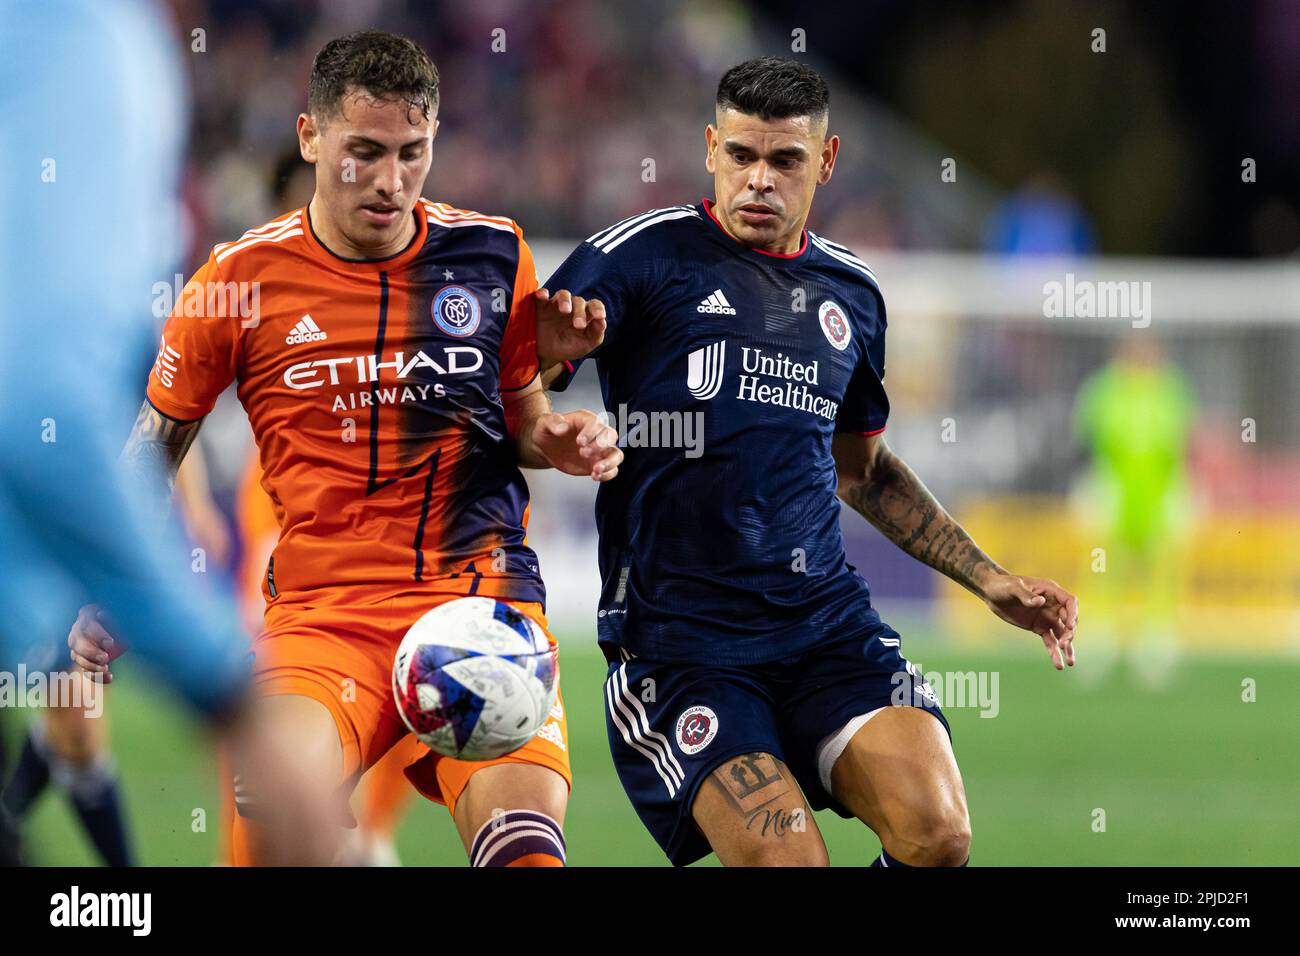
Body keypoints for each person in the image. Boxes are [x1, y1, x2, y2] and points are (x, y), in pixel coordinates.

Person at [67, 30, 618, 867]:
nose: (392, 182)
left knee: (527, 854)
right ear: (310, 138)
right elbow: (157, 445)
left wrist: (562, 440)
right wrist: (106, 586)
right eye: (364, 151)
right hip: (323, 621)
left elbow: (523, 419)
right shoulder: (237, 280)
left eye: (413, 153)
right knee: (278, 830)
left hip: (482, 607)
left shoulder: (492, 253)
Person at [545, 56, 1078, 866]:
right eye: (741, 157)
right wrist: (551, 384)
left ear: (823, 163)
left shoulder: (852, 295)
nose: (759, 180)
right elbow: (518, 382)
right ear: (711, 150)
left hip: (826, 628)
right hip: (683, 647)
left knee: (939, 834)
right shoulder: (637, 256)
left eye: (784, 160)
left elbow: (862, 470)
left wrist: (990, 578)